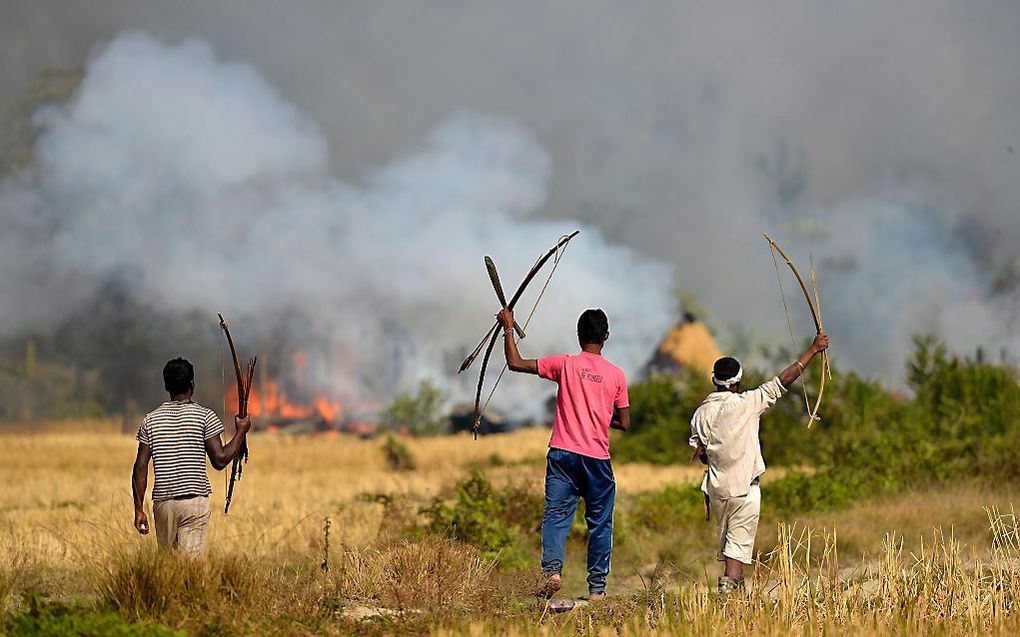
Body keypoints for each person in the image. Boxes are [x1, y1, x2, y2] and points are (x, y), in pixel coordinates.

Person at [497, 307, 630, 601]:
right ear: (606, 336)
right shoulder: (617, 375)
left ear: (579, 335)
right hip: (597, 459)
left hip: (562, 455)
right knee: (600, 523)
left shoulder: (565, 364)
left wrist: (508, 328)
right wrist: (598, 413)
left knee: (556, 516)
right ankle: (596, 589)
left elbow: (515, 363)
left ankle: (553, 573)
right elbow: (624, 422)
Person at [690, 332, 829, 595]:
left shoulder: (700, 413)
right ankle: (728, 602)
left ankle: (736, 602)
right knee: (736, 553)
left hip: (718, 492)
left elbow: (703, 454)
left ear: (714, 381)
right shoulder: (748, 402)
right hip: (744, 490)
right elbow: (784, 380)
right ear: (738, 382)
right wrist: (813, 349)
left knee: (732, 550)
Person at [131, 357, 251, 555]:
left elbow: (140, 467)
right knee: (190, 570)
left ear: (167, 386)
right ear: (192, 384)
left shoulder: (150, 420)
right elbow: (220, 460)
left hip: (163, 505)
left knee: (168, 568)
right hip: (194, 502)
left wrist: (138, 508)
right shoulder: (205, 416)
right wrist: (241, 432)